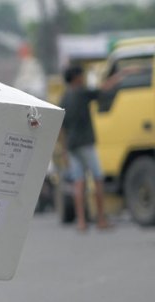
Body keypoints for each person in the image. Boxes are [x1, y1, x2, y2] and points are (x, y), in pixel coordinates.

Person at [60, 65, 113, 232]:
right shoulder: (82, 92)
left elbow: (61, 127)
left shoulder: (64, 98)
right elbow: (103, 90)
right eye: (81, 75)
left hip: (71, 145)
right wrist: (120, 75)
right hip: (86, 143)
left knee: (79, 182)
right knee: (97, 178)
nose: (83, 77)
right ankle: (101, 219)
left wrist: (63, 150)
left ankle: (81, 222)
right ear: (76, 77)